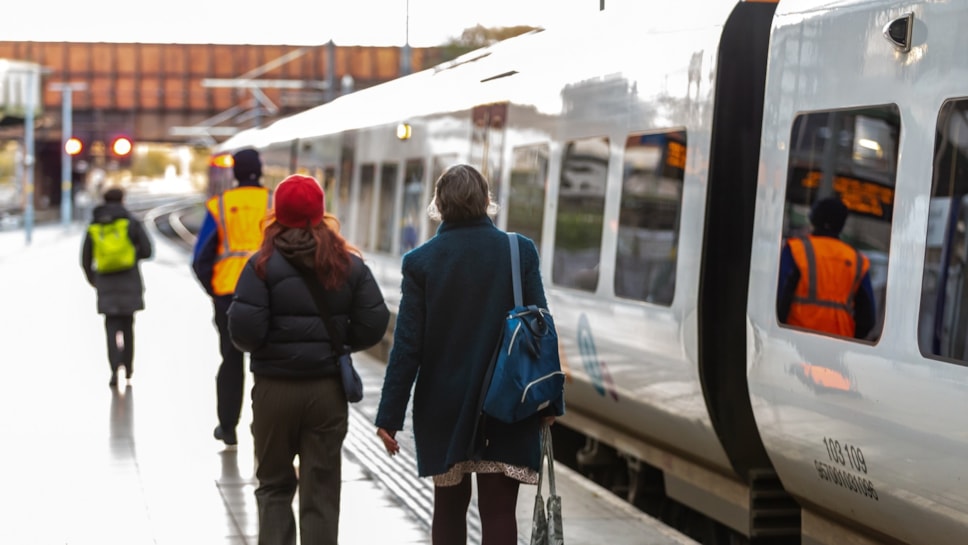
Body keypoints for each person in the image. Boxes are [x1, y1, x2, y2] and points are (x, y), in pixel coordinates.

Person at [374, 164, 563, 545]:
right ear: (486, 201)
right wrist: (550, 403)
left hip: (445, 408)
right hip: (508, 404)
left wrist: (389, 417)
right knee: (498, 512)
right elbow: (541, 330)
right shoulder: (518, 251)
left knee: (448, 508)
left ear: (438, 206)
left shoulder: (421, 262)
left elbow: (407, 348)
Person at [227, 174, 389, 545]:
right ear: (320, 214)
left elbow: (244, 332)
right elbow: (374, 322)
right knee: (321, 490)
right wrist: (336, 343)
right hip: (326, 390)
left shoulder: (260, 266)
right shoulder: (349, 265)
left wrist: (276, 345)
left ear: (277, 215)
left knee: (273, 487)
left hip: (274, 390)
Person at [191, 148, 272, 446]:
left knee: (231, 359)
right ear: (260, 170)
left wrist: (215, 292)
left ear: (234, 173)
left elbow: (200, 258)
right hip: (269, 294)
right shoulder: (273, 202)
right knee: (266, 363)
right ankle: (263, 426)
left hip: (229, 296)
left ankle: (227, 428)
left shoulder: (219, 205)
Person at [80, 186, 153, 387]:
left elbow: (85, 259)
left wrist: (94, 280)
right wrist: (130, 256)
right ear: (123, 199)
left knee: (111, 327)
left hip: (105, 283)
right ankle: (128, 369)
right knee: (128, 327)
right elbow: (148, 251)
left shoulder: (95, 224)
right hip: (129, 281)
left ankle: (113, 370)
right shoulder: (131, 221)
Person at [777, 196, 876, 339]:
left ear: (813, 219)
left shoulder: (796, 250)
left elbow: (780, 299)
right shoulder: (857, 261)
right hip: (839, 347)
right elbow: (868, 319)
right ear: (841, 225)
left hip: (796, 340)